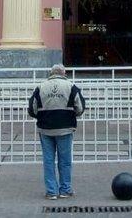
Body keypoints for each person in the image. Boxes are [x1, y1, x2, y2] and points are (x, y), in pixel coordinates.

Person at [28, 64, 86, 200]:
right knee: (65, 161)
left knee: (48, 161)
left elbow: (32, 109)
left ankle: (51, 191)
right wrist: (69, 115)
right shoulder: (71, 86)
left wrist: (43, 116)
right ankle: (65, 190)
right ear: (64, 73)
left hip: (45, 128)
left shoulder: (40, 87)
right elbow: (80, 108)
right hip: (64, 128)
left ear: (51, 73)